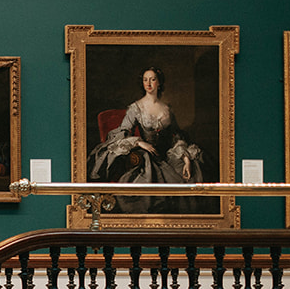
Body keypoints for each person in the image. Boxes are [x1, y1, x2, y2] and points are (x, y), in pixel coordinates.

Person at [87, 67, 206, 210]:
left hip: (168, 156)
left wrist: (186, 159)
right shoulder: (136, 108)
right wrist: (139, 142)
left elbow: (176, 137)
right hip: (149, 157)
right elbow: (122, 132)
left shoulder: (167, 109)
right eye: (145, 80)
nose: (148, 83)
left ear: (159, 83)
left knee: (192, 172)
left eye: (152, 79)